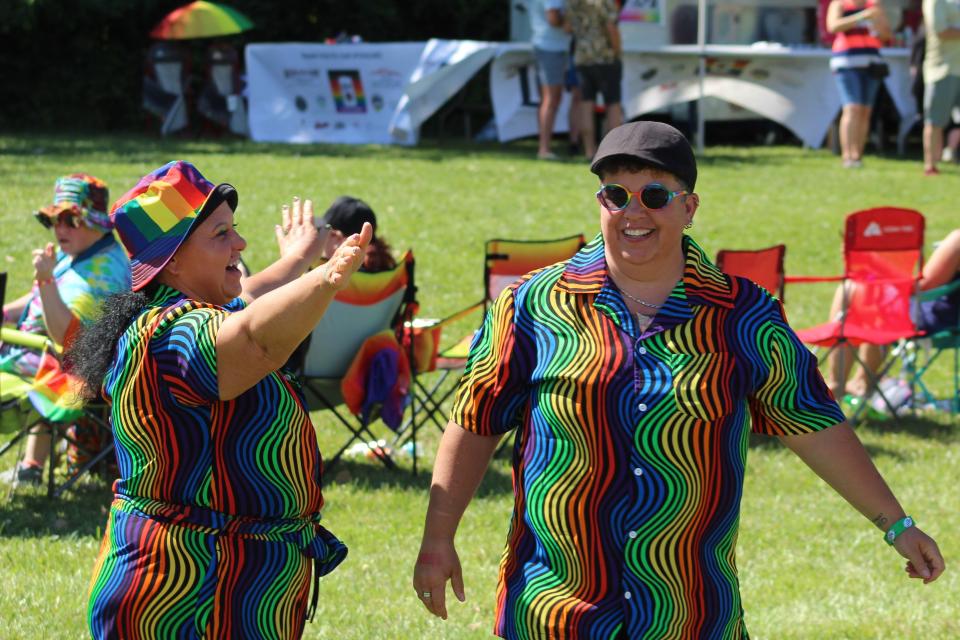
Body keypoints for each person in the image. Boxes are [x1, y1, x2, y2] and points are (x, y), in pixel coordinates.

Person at [412, 121, 944, 638]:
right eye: (615, 196)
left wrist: (896, 525)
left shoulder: (744, 316)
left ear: (688, 207)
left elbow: (813, 424)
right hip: (553, 613)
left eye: (655, 196)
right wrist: (439, 536)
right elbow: (475, 420)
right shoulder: (533, 303)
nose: (633, 212)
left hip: (689, 612)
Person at [63, 161, 369, 639]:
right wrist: (326, 277)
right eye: (220, 233)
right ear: (174, 260)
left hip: (230, 586)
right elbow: (255, 341)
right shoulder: (170, 333)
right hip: (185, 596)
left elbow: (249, 298)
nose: (240, 245)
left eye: (236, 229)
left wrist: (295, 261)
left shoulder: (207, 310)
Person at [0, 173, 130, 485]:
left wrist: (45, 280)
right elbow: (38, 303)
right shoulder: (81, 255)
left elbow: (68, 339)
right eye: (54, 220)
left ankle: (31, 466)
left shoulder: (101, 274)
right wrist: (5, 313)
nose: (60, 229)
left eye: (70, 220)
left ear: (95, 223)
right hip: (41, 356)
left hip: (68, 369)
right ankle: (32, 466)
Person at [826, 228, 960, 405]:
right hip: (946, 316)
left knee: (853, 290)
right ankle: (860, 380)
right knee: (866, 295)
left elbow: (923, 287)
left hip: (937, 319)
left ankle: (839, 384)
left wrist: (873, 263)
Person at [826, 0, 892, 168]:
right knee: (852, 108)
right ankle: (847, 155)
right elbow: (832, 27)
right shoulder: (840, 4)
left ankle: (857, 154)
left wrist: (877, 24)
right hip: (847, 63)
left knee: (865, 111)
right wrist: (861, 16)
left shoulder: (875, 5)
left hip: (872, 63)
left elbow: (887, 35)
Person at [565, 0, 624, 159]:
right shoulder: (604, 2)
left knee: (586, 104)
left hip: (582, 57)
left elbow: (567, 28)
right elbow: (611, 28)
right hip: (606, 57)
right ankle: (614, 151)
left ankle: (589, 151)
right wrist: (617, 51)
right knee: (613, 105)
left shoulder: (572, 2)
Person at [530, 0, 572, 160]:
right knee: (551, 99)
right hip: (550, 48)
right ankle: (544, 149)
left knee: (550, 99)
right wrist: (571, 19)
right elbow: (553, 19)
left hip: (551, 47)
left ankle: (544, 147)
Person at [922, 0, 960, 175]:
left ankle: (950, 152)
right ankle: (931, 165)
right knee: (935, 120)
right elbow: (941, 31)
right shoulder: (935, 1)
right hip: (942, 69)